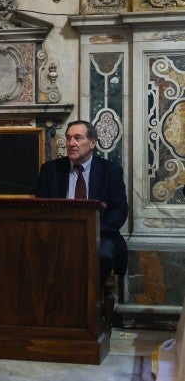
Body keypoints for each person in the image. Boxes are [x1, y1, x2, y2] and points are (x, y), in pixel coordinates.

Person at [35, 120, 129, 282]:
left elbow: (119, 210)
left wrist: (92, 231)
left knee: (102, 256)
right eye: (68, 138)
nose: (71, 143)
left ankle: (90, 303)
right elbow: (41, 208)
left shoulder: (110, 171)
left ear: (92, 142)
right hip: (58, 234)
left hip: (99, 235)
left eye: (78, 138)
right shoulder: (50, 170)